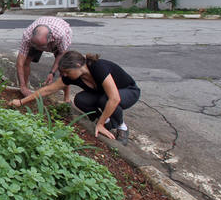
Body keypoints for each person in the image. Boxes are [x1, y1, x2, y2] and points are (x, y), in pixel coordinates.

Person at [9, 50, 140, 145]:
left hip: (128, 91)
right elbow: (47, 90)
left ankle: (122, 127)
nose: (64, 75)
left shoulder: (98, 66)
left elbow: (114, 98)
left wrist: (99, 124)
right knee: (80, 100)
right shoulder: (72, 76)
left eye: (66, 71)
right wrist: (21, 102)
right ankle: (106, 122)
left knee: (106, 101)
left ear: (77, 66)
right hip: (104, 95)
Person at [16, 16, 72, 101]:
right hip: (37, 40)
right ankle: (24, 88)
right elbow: (20, 63)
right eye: (36, 46)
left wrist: (52, 73)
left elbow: (61, 54)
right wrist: (22, 86)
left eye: (41, 47)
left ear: (50, 38)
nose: (39, 49)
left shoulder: (60, 35)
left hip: (59, 35)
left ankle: (66, 97)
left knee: (63, 67)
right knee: (26, 62)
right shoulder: (27, 35)